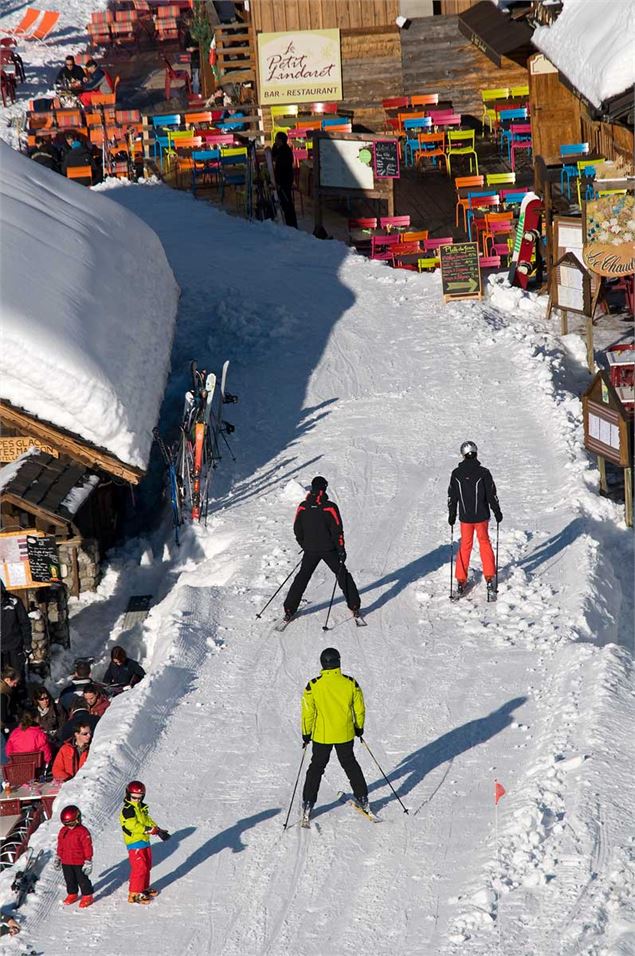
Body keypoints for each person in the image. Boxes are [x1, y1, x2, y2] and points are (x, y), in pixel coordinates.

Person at [301, 647, 368, 823]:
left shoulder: (313, 685)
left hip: (322, 736)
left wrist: (306, 734)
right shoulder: (350, 683)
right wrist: (359, 728)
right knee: (350, 764)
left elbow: (308, 713)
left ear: (322, 663)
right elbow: (359, 709)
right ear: (338, 661)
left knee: (316, 768)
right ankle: (362, 797)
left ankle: (308, 803)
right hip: (344, 734)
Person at [283, 476, 360, 623]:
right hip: (329, 550)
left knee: (302, 578)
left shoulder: (303, 506)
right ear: (324, 488)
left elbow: (297, 529)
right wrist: (341, 549)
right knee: (342, 575)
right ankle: (354, 606)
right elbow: (337, 530)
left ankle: (289, 610)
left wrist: (304, 544)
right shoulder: (330, 507)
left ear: (312, 488)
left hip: (310, 550)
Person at [448, 441, 502, 596]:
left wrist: (452, 514)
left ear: (463, 455)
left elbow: (452, 496)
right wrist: (497, 511)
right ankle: (489, 577)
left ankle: (461, 580)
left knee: (465, 546)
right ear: (476, 453)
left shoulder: (456, 474)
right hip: (481, 517)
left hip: (465, 518)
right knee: (484, 543)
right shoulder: (484, 472)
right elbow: (491, 494)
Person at [120, 780, 170, 904]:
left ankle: (143, 888)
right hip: (135, 842)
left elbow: (147, 820)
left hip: (144, 841)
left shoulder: (141, 808)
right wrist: (148, 830)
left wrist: (157, 829)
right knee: (139, 868)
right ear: (128, 795)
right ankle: (134, 893)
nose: (137, 800)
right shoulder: (128, 810)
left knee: (147, 866)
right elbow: (132, 826)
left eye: (139, 797)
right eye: (134, 797)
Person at [54, 805, 94, 908]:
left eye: (71, 824)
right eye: (66, 824)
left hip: (79, 861)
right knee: (69, 879)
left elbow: (87, 847)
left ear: (77, 819)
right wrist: (58, 857)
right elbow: (61, 845)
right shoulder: (63, 831)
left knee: (82, 879)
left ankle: (87, 895)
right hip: (66, 861)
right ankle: (72, 893)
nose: (69, 826)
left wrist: (88, 860)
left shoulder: (83, 831)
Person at [0, 582, 32, 682]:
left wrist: (27, 643)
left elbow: (25, 623)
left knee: (17, 675)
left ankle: (20, 691)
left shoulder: (14, 602)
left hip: (15, 645)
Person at [271, 131, 298, 228]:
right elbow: (273, 155)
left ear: (280, 140)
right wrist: (274, 145)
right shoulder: (281, 149)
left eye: (276, 139)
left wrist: (279, 181)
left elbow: (281, 168)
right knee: (282, 201)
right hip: (283, 180)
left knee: (287, 202)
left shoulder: (285, 151)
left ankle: (291, 224)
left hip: (285, 180)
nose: (275, 140)